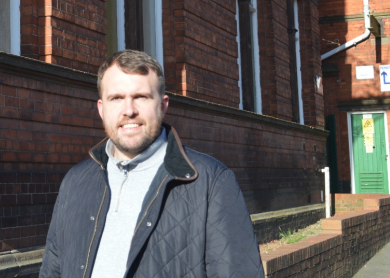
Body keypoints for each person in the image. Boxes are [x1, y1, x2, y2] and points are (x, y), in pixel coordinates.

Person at [40, 50, 264, 278]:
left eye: (141, 97)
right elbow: (52, 270)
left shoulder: (211, 182)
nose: (129, 111)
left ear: (163, 105)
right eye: (116, 98)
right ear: (101, 109)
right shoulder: (75, 181)